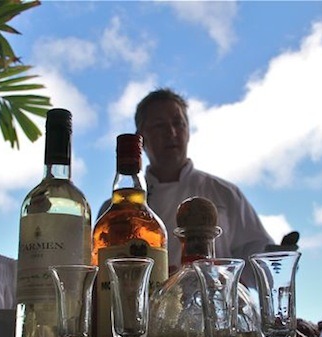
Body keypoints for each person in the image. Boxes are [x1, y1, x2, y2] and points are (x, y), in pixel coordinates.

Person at [99, 88, 274, 289]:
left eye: (178, 123)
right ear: (141, 139)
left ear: (188, 130)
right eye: (159, 125)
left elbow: (261, 265)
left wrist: (224, 275)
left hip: (214, 312)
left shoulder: (225, 193)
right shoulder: (114, 212)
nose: (171, 133)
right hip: (141, 316)